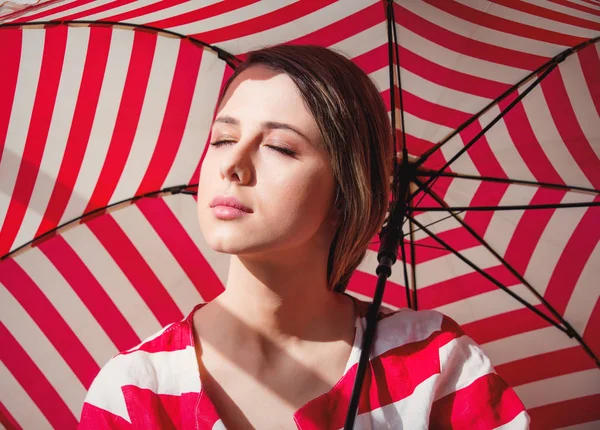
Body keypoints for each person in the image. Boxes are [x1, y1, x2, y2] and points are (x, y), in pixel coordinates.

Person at [78, 45, 529, 429]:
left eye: (279, 147)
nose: (232, 165)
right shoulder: (135, 388)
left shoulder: (438, 368)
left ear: (345, 191)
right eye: (222, 138)